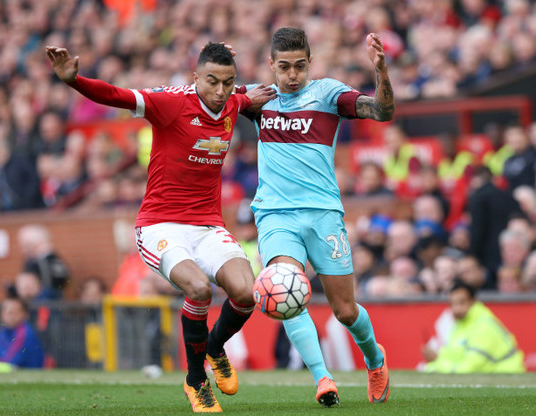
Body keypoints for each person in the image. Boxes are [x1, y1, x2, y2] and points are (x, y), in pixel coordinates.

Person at [47, 42, 275, 413]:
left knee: (246, 293)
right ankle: (196, 381)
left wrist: (260, 91)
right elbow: (117, 96)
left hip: (206, 225)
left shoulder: (234, 100)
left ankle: (215, 348)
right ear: (196, 77)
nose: (220, 92)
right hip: (159, 224)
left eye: (228, 83)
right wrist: (75, 82)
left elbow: (249, 96)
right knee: (199, 289)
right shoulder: (170, 103)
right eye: (212, 82)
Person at [241, 28, 393, 406]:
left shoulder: (327, 94)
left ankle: (375, 361)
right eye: (284, 67)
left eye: (299, 66)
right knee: (282, 289)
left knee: (344, 311)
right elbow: (204, 100)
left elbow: (382, 111)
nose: (292, 75)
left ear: (310, 62)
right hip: (275, 214)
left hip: (323, 214)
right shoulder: (256, 100)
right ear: (271, 65)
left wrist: (381, 72)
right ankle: (322, 379)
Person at [422, 280, 525, 373]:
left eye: (461, 302)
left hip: (508, 379)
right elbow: (452, 356)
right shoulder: (460, 324)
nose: (456, 309)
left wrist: (437, 361)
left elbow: (468, 369)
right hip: (490, 379)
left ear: (473, 301)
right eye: (452, 304)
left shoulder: (484, 326)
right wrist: (434, 362)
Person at [0, 297, 44, 369]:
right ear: (1, 314)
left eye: (15, 312)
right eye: (7, 312)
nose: (11, 316)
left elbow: (8, 362)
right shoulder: (4, 330)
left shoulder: (25, 334)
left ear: (25, 314)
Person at [17, 224, 71, 298]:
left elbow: (61, 281)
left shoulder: (44, 261)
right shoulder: (53, 259)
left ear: (35, 244)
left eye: (26, 246)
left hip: (47, 300)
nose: (24, 251)